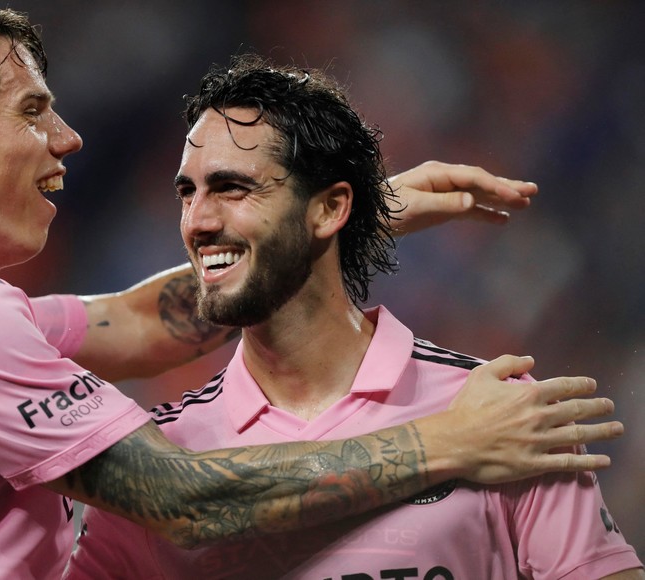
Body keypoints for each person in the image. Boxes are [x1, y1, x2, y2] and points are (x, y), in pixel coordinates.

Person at [0, 5, 624, 578]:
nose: (66, 139)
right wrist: (449, 444)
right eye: (31, 111)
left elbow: (141, 323)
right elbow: (186, 500)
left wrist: (350, 214)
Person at [67, 55, 644, 579]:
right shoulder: (162, 451)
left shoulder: (501, 410)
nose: (196, 221)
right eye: (186, 193)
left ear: (330, 207)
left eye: (231, 188)